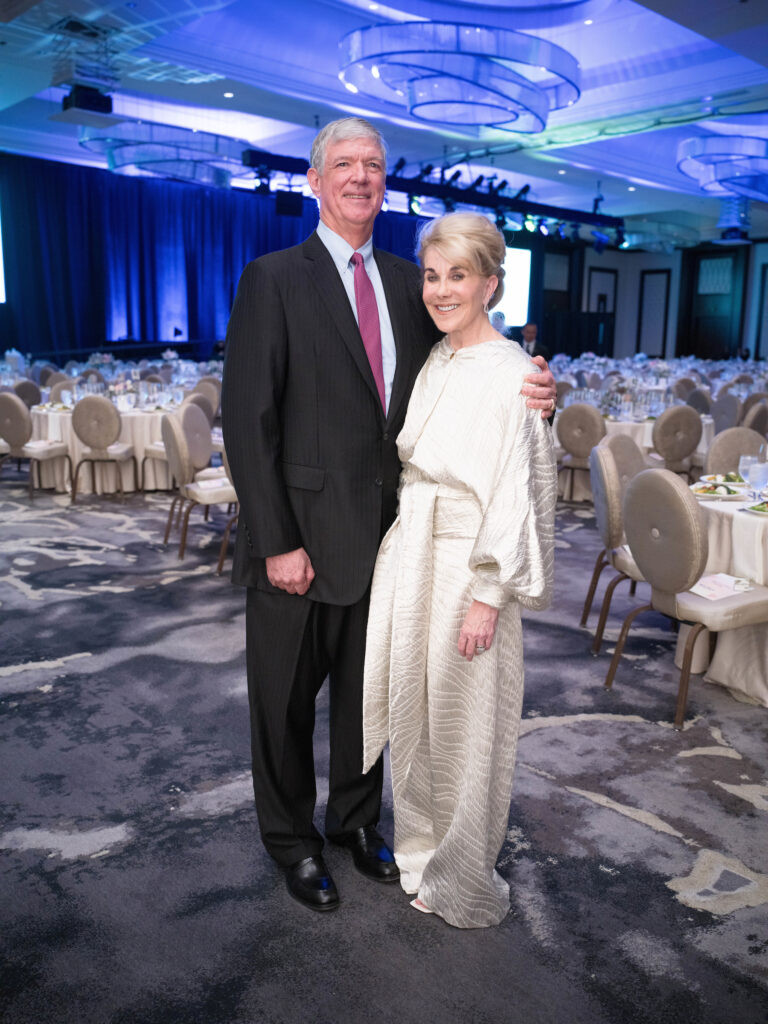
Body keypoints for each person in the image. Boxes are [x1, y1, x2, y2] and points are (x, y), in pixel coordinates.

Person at [221, 117, 557, 913]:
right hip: (298, 545)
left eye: (374, 164)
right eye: (344, 164)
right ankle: (293, 843)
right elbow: (247, 421)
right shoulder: (274, 278)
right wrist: (276, 542)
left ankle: (355, 822)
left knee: (372, 696)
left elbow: (470, 352)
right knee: (284, 704)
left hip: (391, 546)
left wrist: (540, 388)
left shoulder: (412, 281)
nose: (361, 176)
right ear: (314, 180)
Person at [363, 211, 557, 929]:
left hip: (468, 565)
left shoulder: (515, 376)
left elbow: (519, 495)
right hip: (413, 552)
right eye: (433, 275)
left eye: (459, 276)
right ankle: (419, 852)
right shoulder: (438, 356)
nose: (441, 290)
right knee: (416, 717)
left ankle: (464, 879)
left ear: (491, 284)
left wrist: (488, 595)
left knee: (469, 728)